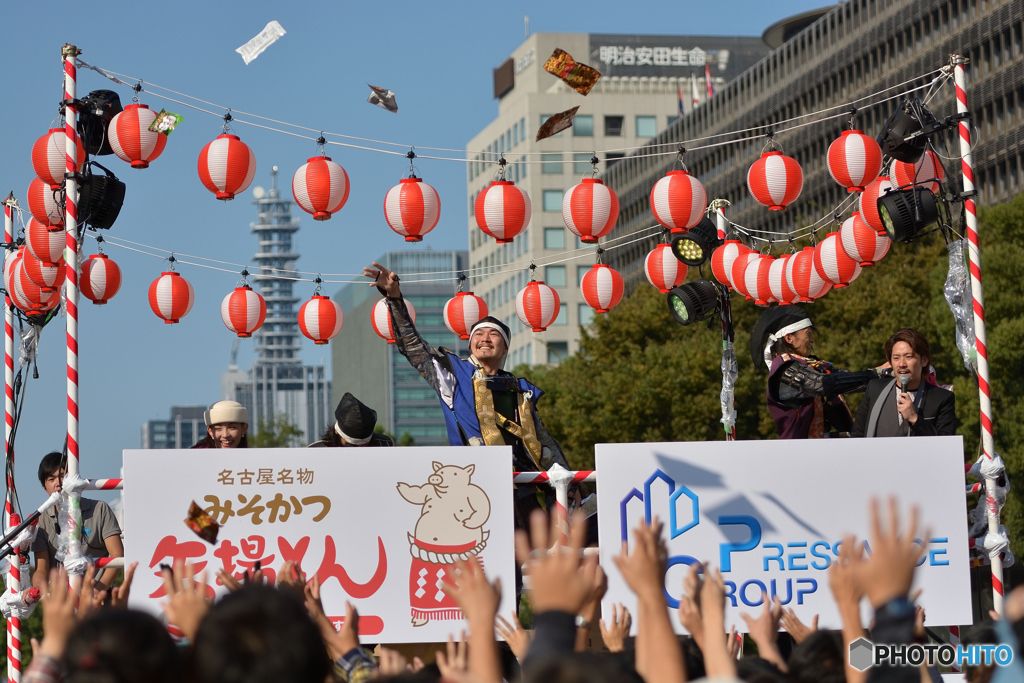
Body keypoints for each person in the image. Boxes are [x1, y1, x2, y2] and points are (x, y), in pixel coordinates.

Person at [363, 261, 572, 527]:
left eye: (493, 334)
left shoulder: (520, 387)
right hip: (474, 491)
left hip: (523, 490)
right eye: (479, 333)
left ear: (505, 348)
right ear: (471, 343)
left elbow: (542, 441)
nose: (485, 337)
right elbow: (413, 347)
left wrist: (571, 483)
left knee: (537, 561)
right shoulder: (453, 375)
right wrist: (395, 299)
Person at [752, 306, 889, 439]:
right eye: (808, 333)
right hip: (798, 449)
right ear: (789, 338)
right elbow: (822, 384)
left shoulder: (811, 364)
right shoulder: (784, 368)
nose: (812, 340)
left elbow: (846, 379)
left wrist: (885, 372)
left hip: (821, 444)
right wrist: (875, 374)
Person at [31, 452, 123, 593]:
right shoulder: (41, 521)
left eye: (62, 476)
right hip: (63, 603)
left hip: (99, 600)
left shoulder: (100, 509)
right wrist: (38, 590)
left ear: (72, 478)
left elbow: (118, 555)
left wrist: (97, 592)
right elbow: (41, 569)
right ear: (45, 487)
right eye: (51, 479)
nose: (58, 483)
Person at [852, 328, 956, 437]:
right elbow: (857, 435)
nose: (902, 364)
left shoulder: (941, 398)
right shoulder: (875, 390)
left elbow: (947, 444)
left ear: (924, 360)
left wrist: (914, 419)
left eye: (908, 357)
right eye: (896, 358)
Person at [308, 392, 395, 447]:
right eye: (351, 446)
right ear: (336, 431)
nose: (358, 451)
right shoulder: (316, 451)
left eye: (365, 445)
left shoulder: (385, 445)